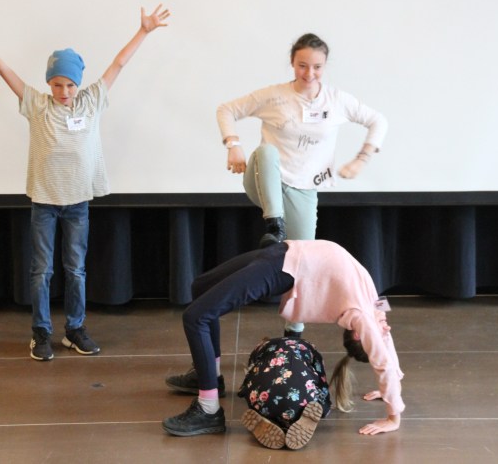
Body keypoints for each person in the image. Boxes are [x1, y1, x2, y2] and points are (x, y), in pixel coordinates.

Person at [0, 4, 170, 361]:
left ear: (78, 84)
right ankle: (41, 333)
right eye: (57, 84)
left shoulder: (91, 101)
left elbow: (118, 64)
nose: (64, 91)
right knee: (42, 271)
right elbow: (4, 68)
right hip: (44, 203)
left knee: (76, 270)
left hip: (77, 203)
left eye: (70, 84)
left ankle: (74, 329)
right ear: (48, 83)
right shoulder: (36, 104)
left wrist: (144, 31)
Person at [216, 33, 388, 337]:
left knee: (304, 264)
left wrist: (361, 159)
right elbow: (226, 109)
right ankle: (274, 225)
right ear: (292, 63)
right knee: (267, 152)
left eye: (317, 67)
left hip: (302, 189)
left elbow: (378, 121)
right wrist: (233, 145)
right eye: (302, 66)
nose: (309, 74)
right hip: (264, 180)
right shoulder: (274, 96)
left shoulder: (336, 100)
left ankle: (293, 334)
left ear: (325, 66)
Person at [162, 239, 404, 438]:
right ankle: (209, 375)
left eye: (378, 336)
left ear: (359, 335)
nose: (387, 329)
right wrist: (392, 383)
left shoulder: (361, 316)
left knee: (195, 317)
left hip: (282, 270)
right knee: (200, 287)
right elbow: (386, 345)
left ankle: (208, 409)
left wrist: (393, 416)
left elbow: (381, 360)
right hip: (283, 251)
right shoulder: (375, 303)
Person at [238, 336, 331, 450]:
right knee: (305, 396)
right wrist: (324, 407)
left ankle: (267, 418)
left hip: (264, 400)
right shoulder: (308, 347)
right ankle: (297, 419)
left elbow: (249, 377)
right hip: (300, 400)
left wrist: (245, 394)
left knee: (259, 396)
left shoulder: (259, 348)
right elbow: (321, 380)